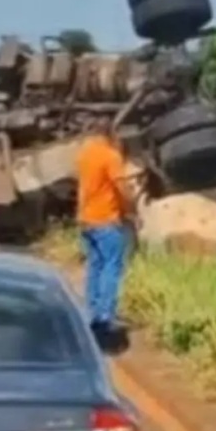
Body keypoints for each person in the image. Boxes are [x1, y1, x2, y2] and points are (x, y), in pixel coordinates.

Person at [76, 116, 144, 337]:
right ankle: (106, 316)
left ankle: (91, 312)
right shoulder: (111, 156)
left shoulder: (85, 154)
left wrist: (80, 216)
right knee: (112, 266)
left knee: (95, 266)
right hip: (106, 219)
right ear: (111, 133)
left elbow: (83, 189)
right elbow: (122, 188)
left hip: (86, 219)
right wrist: (132, 211)